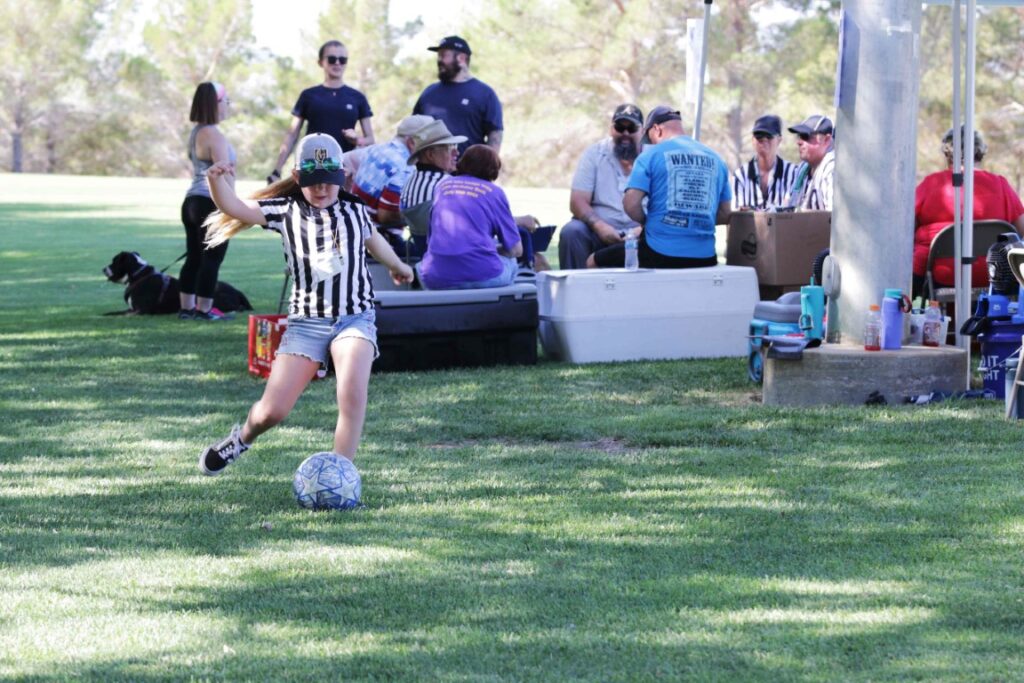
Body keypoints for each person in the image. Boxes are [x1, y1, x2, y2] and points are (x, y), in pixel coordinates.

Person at [198, 133, 414, 476]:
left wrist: (398, 267)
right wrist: (215, 181)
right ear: (298, 177)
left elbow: (374, 242)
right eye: (313, 182)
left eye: (329, 181)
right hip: (306, 323)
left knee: (352, 393)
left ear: (342, 176)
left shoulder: (355, 210)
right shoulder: (284, 210)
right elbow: (234, 207)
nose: (322, 189)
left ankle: (340, 474)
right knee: (273, 411)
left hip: (355, 317)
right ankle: (241, 438)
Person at [588, 106, 732, 269]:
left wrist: (646, 221)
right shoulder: (717, 160)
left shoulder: (650, 156)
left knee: (593, 261)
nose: (651, 144)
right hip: (705, 257)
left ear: (657, 129)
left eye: (650, 139)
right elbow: (725, 214)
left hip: (659, 253)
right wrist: (693, 221)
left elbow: (631, 204)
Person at [913, 126, 1024, 294]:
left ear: (947, 154)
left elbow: (904, 230)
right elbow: (1021, 230)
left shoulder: (931, 184)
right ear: (981, 153)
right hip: (994, 274)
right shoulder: (1001, 185)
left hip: (941, 275)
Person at [267, 40, 374, 183]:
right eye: (331, 59)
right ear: (321, 62)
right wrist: (277, 170)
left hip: (344, 171)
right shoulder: (308, 95)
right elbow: (292, 134)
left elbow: (371, 140)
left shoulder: (357, 97)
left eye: (342, 60)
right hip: (311, 167)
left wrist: (357, 139)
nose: (337, 63)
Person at [416, 145, 522, 290]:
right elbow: (516, 250)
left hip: (435, 276)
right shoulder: (495, 192)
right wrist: (490, 249)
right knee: (512, 262)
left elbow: (432, 239)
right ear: (493, 170)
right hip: (484, 276)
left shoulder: (442, 186)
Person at [559, 103, 645, 270]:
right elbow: (577, 201)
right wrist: (600, 227)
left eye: (632, 128)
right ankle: (575, 293)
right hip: (599, 231)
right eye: (620, 127)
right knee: (572, 231)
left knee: (664, 235)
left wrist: (642, 230)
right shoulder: (594, 154)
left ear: (642, 131)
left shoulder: (653, 157)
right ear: (611, 128)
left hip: (642, 233)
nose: (625, 134)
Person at [179, 82, 236, 321]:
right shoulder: (214, 134)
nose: (228, 107)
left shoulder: (197, 133)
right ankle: (204, 310)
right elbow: (224, 173)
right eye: (226, 102)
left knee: (194, 256)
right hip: (210, 201)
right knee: (212, 258)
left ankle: (187, 308)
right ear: (215, 105)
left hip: (191, 201)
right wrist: (232, 207)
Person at [413, 36, 502, 154]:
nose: (439, 60)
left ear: (461, 58)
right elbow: (414, 129)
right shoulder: (428, 93)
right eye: (438, 56)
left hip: (468, 170)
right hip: (428, 171)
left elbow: (495, 134)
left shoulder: (484, 94)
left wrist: (488, 166)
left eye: (444, 55)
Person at [388, 119, 466, 254]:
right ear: (430, 155)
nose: (456, 153)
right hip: (457, 258)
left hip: (426, 257)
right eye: (449, 148)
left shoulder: (410, 182)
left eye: (455, 147)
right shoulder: (449, 185)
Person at [351, 114, 434, 231]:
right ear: (412, 142)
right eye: (431, 142)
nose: (433, 149)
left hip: (355, 224)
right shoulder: (405, 168)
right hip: (377, 238)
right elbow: (387, 217)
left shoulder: (377, 148)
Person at [732, 114, 798, 211]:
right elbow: (737, 217)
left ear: (779, 140)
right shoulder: (741, 176)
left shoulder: (793, 173)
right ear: (752, 140)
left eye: (769, 136)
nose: (763, 140)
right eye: (759, 136)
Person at [784, 114, 835, 211]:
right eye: (799, 136)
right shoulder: (802, 168)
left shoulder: (832, 168)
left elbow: (833, 218)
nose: (799, 142)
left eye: (805, 136)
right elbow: (788, 206)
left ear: (826, 140)